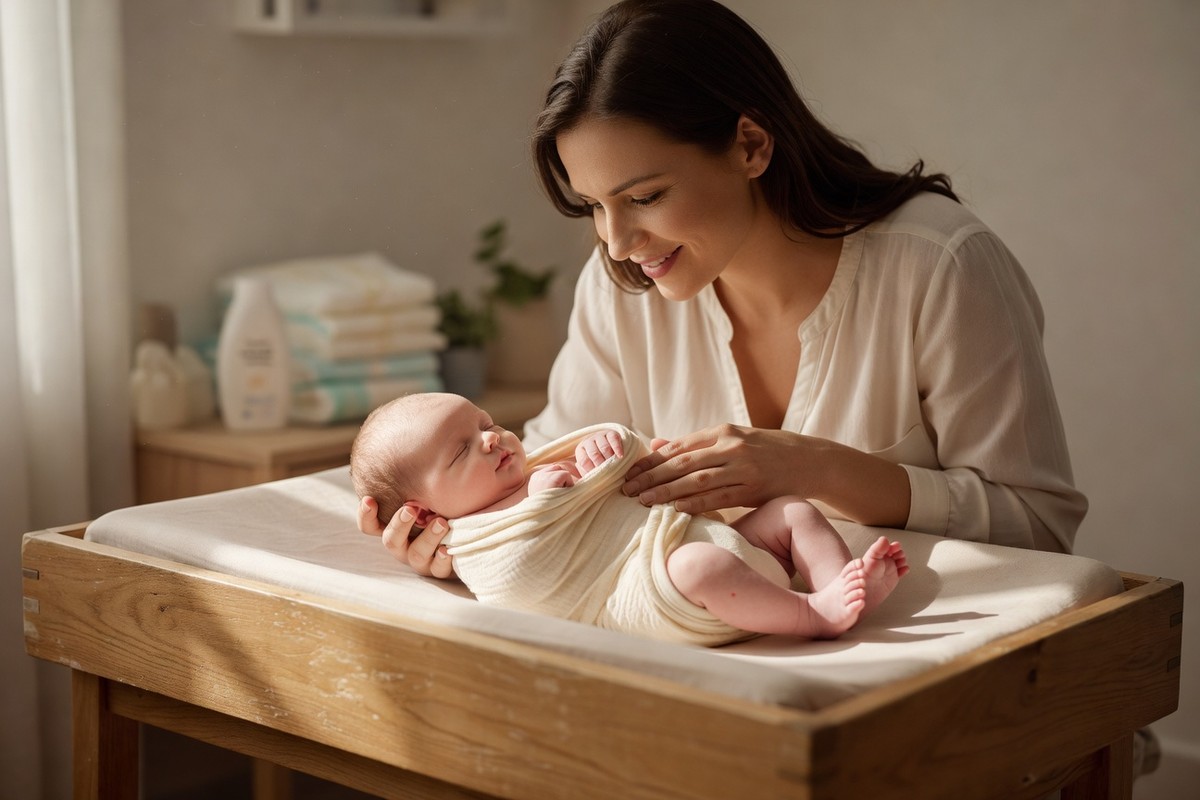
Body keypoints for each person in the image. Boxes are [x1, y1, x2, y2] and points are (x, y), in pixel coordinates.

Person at [358, 0, 1087, 577]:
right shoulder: (622, 288)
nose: (617, 242)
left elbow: (1039, 527)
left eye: (644, 196)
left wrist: (818, 467)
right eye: (594, 206)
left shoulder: (941, 265)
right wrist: (461, 536)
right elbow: (547, 466)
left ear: (750, 145)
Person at [350, 392, 907, 644]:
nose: (492, 439)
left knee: (792, 510)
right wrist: (548, 502)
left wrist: (612, 454)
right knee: (701, 566)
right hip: (663, 592)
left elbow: (635, 475)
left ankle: (840, 584)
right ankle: (814, 615)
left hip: (711, 541)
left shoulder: (544, 467)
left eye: (485, 423)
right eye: (461, 450)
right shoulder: (476, 541)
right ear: (426, 512)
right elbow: (525, 586)